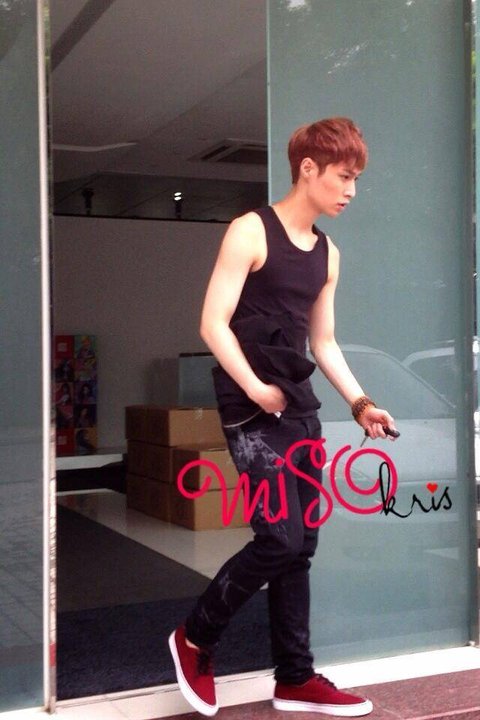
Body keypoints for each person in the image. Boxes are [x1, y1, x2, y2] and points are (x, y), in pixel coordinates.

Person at [169, 117, 397, 717]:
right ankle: (194, 637)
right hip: (251, 410)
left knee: (301, 547)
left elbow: (323, 342)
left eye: (356, 179)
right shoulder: (251, 231)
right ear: (308, 169)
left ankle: (294, 677)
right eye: (344, 177)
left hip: (297, 408)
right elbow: (212, 323)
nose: (351, 190)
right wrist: (255, 388)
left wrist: (362, 403)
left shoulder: (328, 254)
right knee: (279, 539)